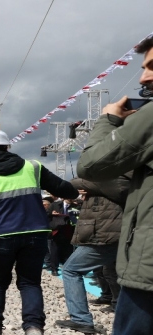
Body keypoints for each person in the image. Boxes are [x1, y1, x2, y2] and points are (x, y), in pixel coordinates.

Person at [0, 129, 78, 335]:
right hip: (35, 233)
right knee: (30, 282)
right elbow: (67, 191)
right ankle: (33, 327)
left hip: (0, 236)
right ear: (7, 147)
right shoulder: (33, 167)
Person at [76, 36, 153, 335]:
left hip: (146, 267)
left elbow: (91, 164)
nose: (144, 77)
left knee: (72, 270)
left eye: (151, 67)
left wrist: (108, 120)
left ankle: (83, 317)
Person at [55, 174, 130, 333]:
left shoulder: (108, 179)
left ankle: (81, 319)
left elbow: (73, 183)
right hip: (118, 234)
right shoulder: (126, 179)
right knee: (114, 272)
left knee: (71, 270)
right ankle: (120, 309)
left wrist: (89, 185)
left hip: (106, 235)